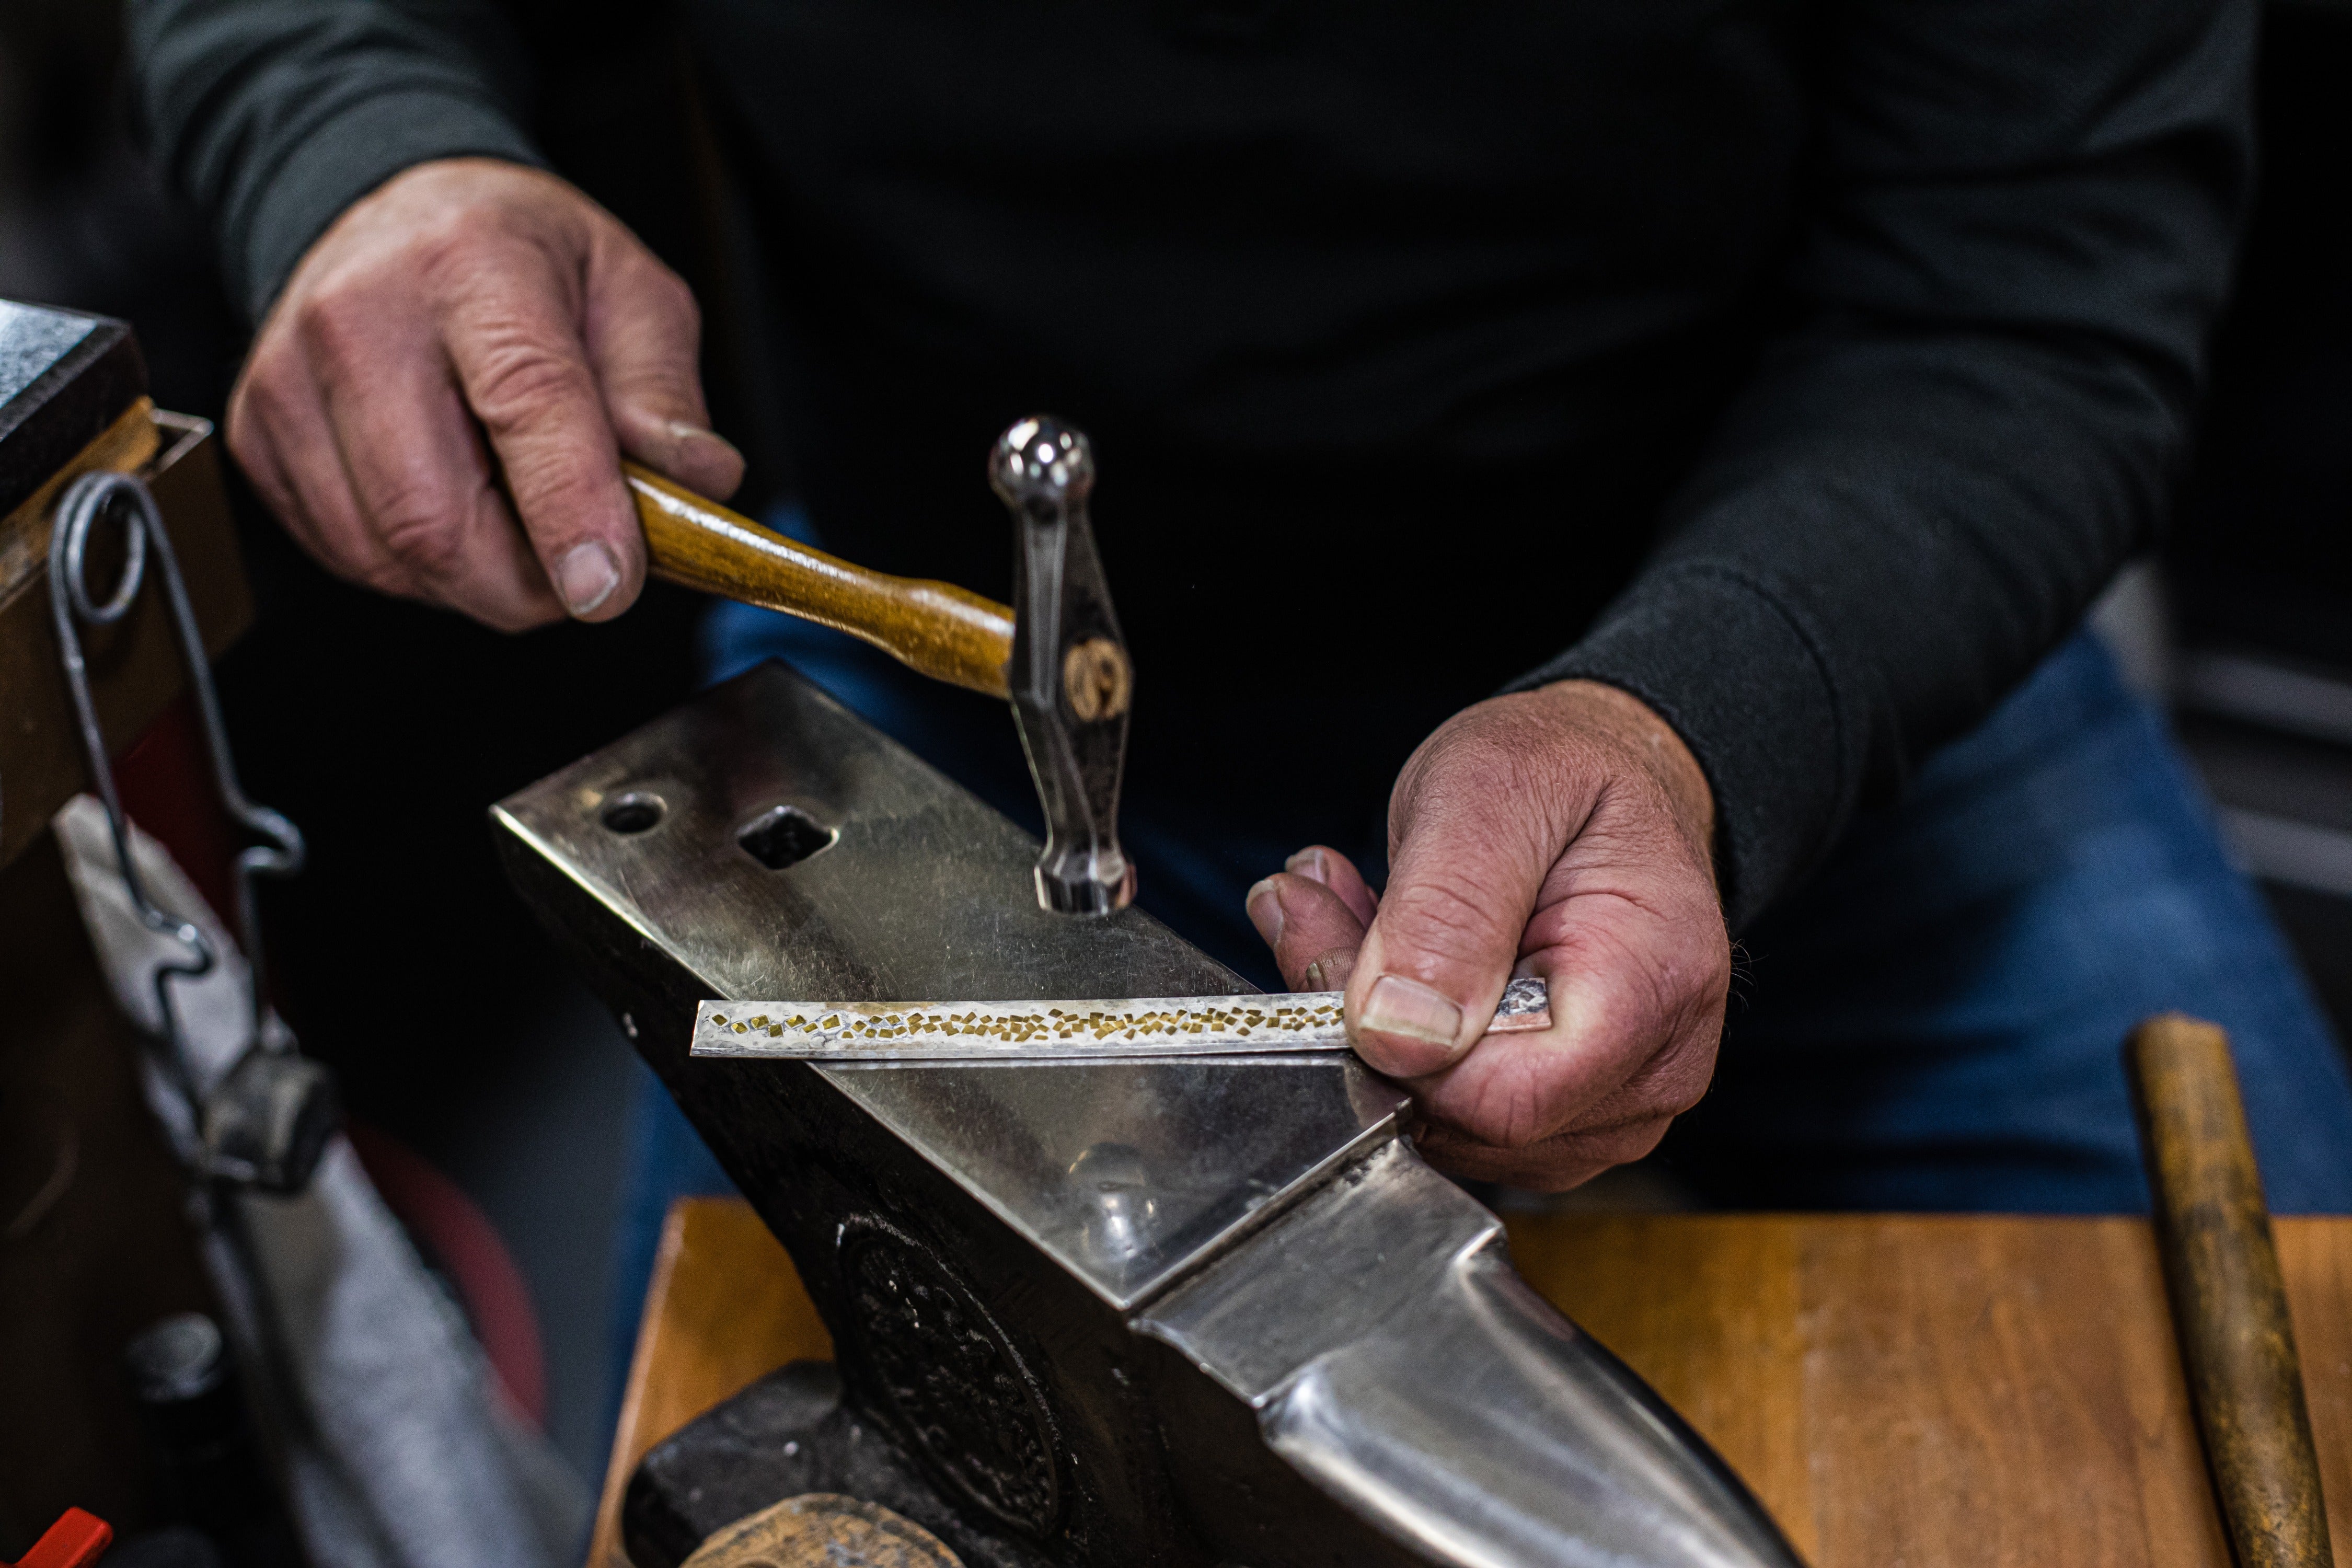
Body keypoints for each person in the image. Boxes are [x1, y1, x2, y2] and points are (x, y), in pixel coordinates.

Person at [127, 0, 2352, 1235]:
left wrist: (1709, 723)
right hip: (940, 723)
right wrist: (360, 140)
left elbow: (2033, 276)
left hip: (1810, 644)